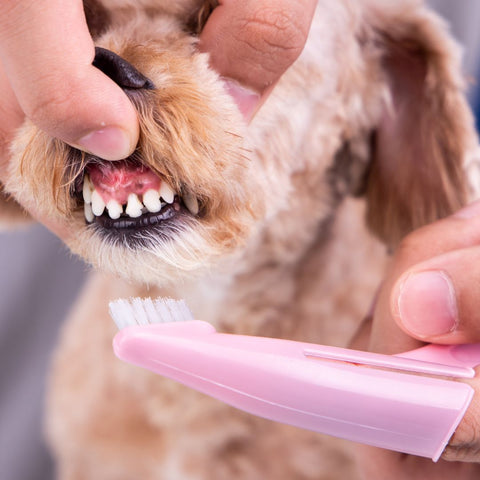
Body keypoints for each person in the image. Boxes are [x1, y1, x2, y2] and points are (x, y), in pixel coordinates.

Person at [0, 1, 479, 479]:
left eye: (203, 31)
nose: (107, 83)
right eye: (88, 34)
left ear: (377, 91)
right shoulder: (87, 399)